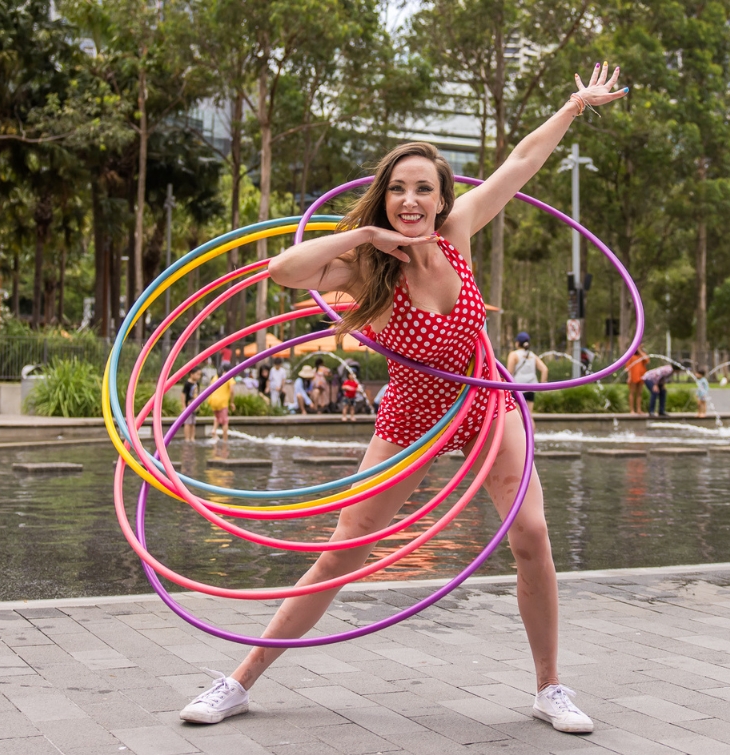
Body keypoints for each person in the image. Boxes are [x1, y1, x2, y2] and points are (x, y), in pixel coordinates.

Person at [177, 63, 629, 734]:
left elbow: (522, 160)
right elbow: (282, 273)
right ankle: (237, 681)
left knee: (532, 534)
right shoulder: (367, 266)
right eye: (398, 190)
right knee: (342, 549)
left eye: (424, 188)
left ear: (444, 196)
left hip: (486, 402)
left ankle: (550, 688)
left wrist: (574, 105)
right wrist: (363, 236)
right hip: (412, 414)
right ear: (383, 198)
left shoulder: (460, 230)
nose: (411, 201)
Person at [507, 332, 548, 404]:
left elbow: (509, 372)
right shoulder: (532, 355)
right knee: (528, 414)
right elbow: (544, 369)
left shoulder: (513, 354)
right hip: (531, 387)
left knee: (519, 414)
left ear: (518, 343)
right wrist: (542, 385)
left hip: (518, 387)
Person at [208, 374, 235, 441]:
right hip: (222, 401)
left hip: (213, 400)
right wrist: (232, 402)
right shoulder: (229, 377)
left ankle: (214, 430)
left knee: (217, 417)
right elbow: (231, 391)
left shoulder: (215, 377)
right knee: (225, 421)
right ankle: (225, 441)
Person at [626, 347, 648, 415]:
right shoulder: (631, 356)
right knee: (632, 393)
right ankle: (632, 410)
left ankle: (639, 410)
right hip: (633, 376)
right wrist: (629, 377)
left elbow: (647, 360)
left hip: (641, 376)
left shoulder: (642, 355)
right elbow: (628, 367)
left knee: (639, 393)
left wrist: (640, 350)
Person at [182, 372, 201, 442]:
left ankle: (192, 437)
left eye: (199, 375)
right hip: (188, 405)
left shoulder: (197, 384)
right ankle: (187, 438)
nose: (199, 376)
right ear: (191, 374)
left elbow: (198, 395)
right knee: (187, 422)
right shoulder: (187, 384)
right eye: (197, 374)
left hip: (194, 404)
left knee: (193, 422)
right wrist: (183, 405)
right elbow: (183, 394)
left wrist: (198, 404)